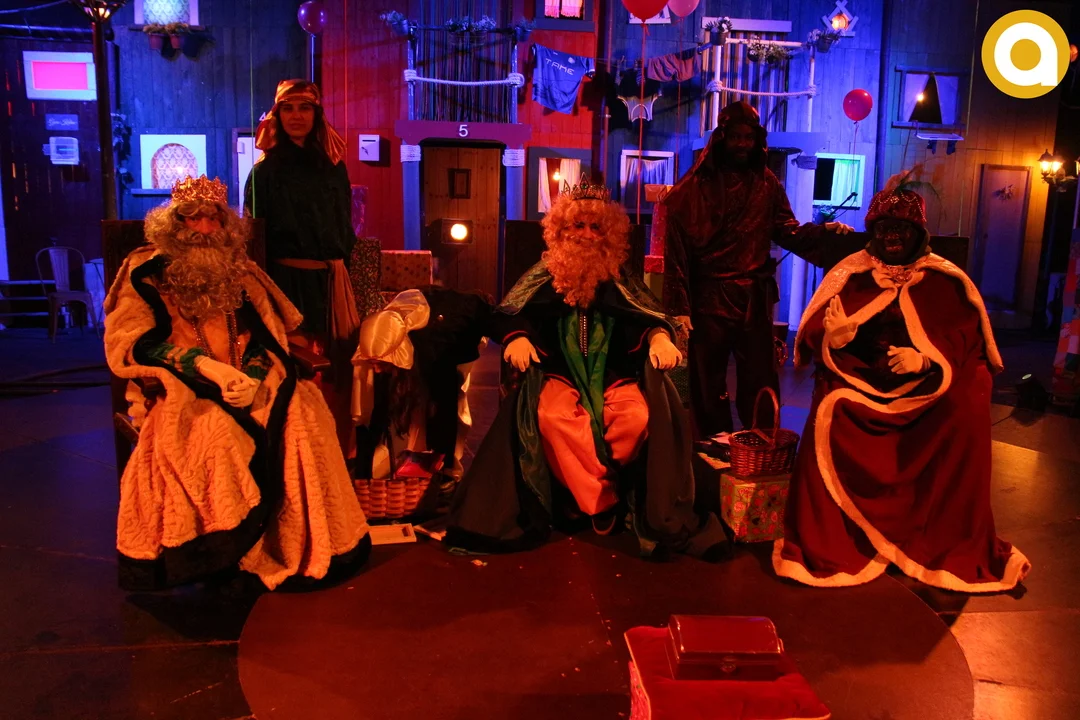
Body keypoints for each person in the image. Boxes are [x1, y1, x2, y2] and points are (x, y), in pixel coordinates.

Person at [105, 175, 371, 591]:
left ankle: (298, 544)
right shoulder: (146, 273)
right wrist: (207, 368)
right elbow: (134, 342)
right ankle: (229, 553)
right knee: (216, 434)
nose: (204, 228)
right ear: (173, 223)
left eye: (213, 218)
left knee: (304, 413)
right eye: (192, 218)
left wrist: (253, 377)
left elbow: (268, 337)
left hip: (245, 376)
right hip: (183, 384)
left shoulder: (241, 271)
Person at [772, 170, 1031, 592]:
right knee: (831, 409)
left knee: (964, 408)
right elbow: (818, 328)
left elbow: (966, 338)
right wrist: (834, 339)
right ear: (873, 233)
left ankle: (935, 537)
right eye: (884, 228)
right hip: (860, 381)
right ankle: (842, 535)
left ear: (918, 234)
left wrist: (928, 360)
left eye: (901, 228)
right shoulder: (851, 273)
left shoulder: (945, 279)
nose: (892, 236)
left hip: (928, 389)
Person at [445, 178, 730, 561]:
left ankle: (584, 497)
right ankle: (602, 501)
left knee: (635, 419)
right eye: (577, 225)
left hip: (614, 375)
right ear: (560, 230)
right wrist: (516, 337)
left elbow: (644, 315)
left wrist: (659, 337)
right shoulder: (542, 275)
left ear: (608, 234)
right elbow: (508, 312)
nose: (586, 234)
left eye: (596, 227)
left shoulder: (620, 278)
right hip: (558, 374)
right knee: (554, 419)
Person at [662, 101, 853, 438]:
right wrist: (680, 306)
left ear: (757, 140)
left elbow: (788, 230)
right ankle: (713, 445)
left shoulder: (766, 184)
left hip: (753, 297)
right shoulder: (693, 188)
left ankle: (761, 442)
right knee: (708, 380)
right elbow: (676, 250)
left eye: (748, 137)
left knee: (760, 377)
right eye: (735, 136)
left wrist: (824, 234)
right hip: (709, 298)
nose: (742, 144)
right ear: (722, 137)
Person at [245, 79, 362, 456]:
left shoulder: (333, 168)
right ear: (277, 115)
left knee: (336, 371)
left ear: (317, 114)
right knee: (294, 367)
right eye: (288, 108)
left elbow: (345, 228)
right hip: (284, 282)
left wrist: (346, 275)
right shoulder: (263, 174)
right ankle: (294, 452)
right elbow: (255, 240)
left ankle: (333, 451)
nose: (297, 116)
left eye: (305, 108)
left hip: (331, 282)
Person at [351, 286, 494, 489]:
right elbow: (374, 411)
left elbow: (445, 403)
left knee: (443, 405)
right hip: (417, 345)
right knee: (390, 399)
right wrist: (363, 476)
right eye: (373, 363)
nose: (377, 369)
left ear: (398, 356)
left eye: (380, 364)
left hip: (453, 340)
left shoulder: (439, 341)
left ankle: (445, 472)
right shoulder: (380, 336)